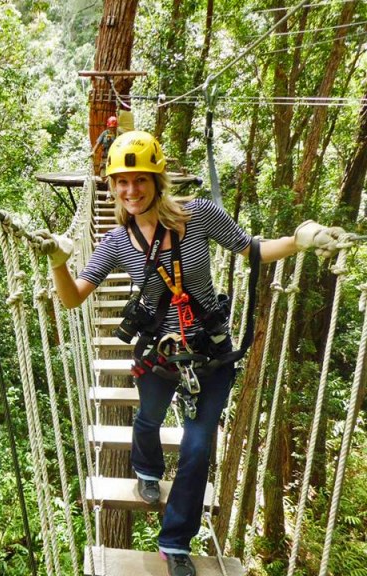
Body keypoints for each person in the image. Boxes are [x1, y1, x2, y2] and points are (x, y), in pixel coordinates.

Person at [41, 131, 345, 576]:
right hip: (159, 355)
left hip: (210, 352)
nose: (130, 191)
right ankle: (147, 469)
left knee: (199, 447)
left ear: (157, 181)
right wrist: (57, 263)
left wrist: (300, 239)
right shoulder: (114, 242)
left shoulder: (199, 215)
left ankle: (175, 542)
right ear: (112, 187)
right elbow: (73, 299)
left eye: (140, 180)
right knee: (147, 418)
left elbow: (252, 249)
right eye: (121, 182)